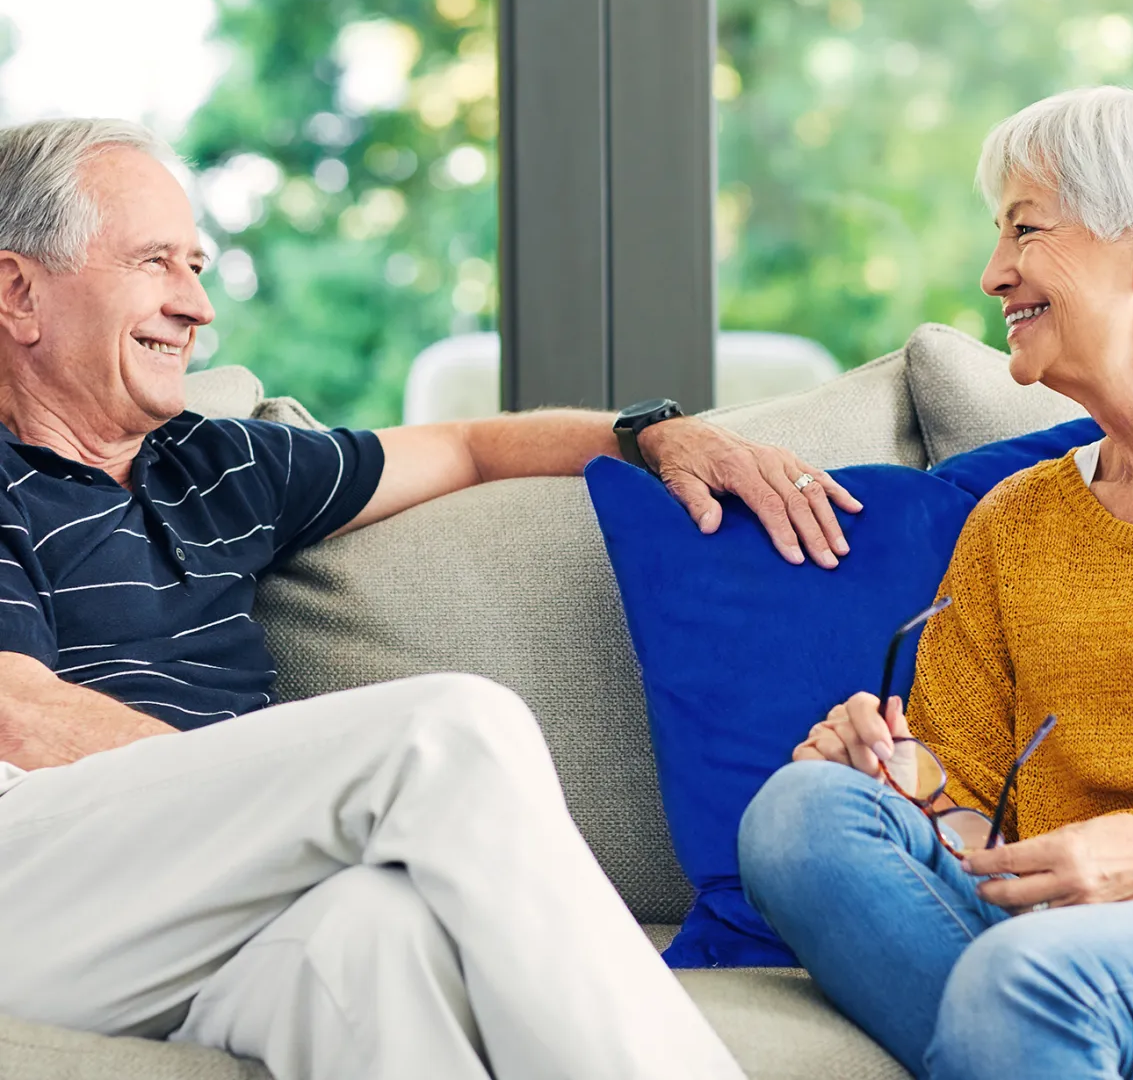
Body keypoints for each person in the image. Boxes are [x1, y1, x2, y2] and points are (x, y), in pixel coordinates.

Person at [0, 118, 861, 1080]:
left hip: (179, 895)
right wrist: (283, 794)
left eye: (197, 265)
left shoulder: (220, 463)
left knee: (374, 936)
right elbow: (19, 717)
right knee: (451, 725)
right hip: (28, 877)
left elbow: (467, 445)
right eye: (154, 261)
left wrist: (653, 436)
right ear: (18, 291)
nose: (196, 304)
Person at [738, 85, 1133, 1080]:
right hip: (1048, 932)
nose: (992, 274)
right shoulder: (1018, 521)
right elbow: (967, 816)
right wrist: (893, 778)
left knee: (1024, 979)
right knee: (796, 815)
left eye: (1023, 229)